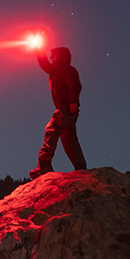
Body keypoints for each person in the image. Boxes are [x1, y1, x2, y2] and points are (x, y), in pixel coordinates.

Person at [30, 46, 87, 179]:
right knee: (69, 138)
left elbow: (75, 86)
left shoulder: (68, 70)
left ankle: (44, 164)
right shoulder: (55, 71)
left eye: (53, 56)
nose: (51, 58)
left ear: (60, 56)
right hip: (65, 109)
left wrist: (72, 102)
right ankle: (80, 167)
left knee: (52, 128)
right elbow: (45, 65)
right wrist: (38, 50)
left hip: (66, 108)